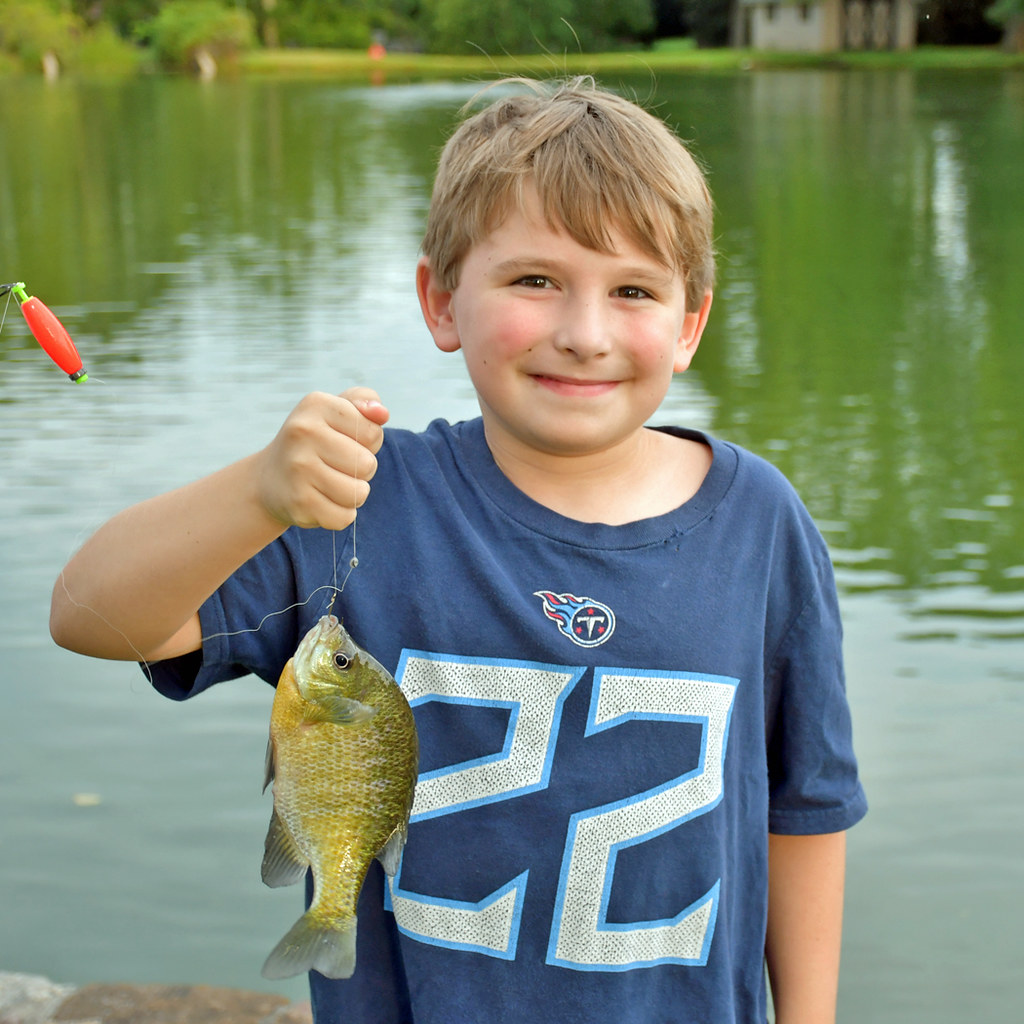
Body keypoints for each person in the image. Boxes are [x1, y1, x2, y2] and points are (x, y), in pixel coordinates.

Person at [50, 77, 867, 1024]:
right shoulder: (359, 501)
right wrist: (257, 491)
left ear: (689, 324)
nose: (584, 332)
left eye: (634, 290)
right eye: (535, 280)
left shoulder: (760, 523)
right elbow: (89, 616)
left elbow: (804, 807)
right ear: (441, 301)